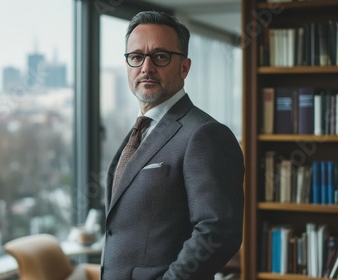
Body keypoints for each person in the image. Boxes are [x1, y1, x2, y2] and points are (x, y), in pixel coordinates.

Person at [101, 11, 244, 280]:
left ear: (184, 67)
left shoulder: (205, 134)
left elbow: (218, 232)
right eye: (136, 57)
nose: (146, 67)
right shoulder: (138, 131)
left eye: (160, 56)